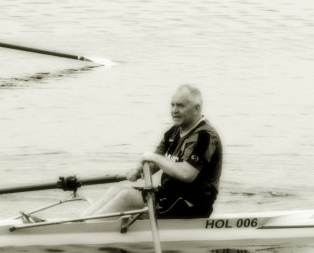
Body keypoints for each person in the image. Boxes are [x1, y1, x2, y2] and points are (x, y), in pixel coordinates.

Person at [89, 85, 222, 219]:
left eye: (180, 106)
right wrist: (138, 170)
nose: (174, 110)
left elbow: (187, 174)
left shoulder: (205, 136)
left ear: (196, 108)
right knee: (114, 191)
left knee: (126, 197)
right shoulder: (173, 132)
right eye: (172, 105)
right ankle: (79, 225)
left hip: (192, 203)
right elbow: (153, 164)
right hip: (169, 196)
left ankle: (87, 228)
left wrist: (153, 158)